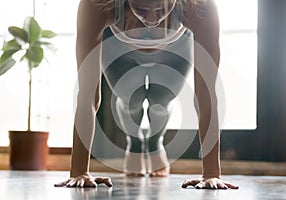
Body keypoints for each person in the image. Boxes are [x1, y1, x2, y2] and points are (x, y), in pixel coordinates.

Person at [55, 0, 239, 189]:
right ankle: (134, 142)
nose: (151, 19)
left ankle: (154, 142)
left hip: (173, 51)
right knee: (130, 100)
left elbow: (205, 95)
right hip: (120, 50)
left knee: (160, 101)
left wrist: (211, 174)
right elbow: (87, 94)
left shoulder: (199, 6)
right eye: (142, 9)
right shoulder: (98, 4)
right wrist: (79, 172)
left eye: (161, 10)